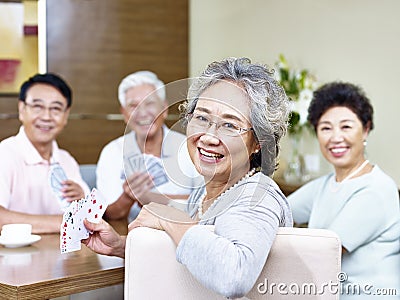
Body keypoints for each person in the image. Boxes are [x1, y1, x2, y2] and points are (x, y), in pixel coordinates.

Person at [83, 57, 293, 298]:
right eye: (202, 118)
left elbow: (233, 275)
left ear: (258, 141)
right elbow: (194, 256)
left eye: (230, 125)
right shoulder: (205, 193)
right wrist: (122, 246)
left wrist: (169, 217)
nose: (208, 137)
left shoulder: (257, 193)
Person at [287, 82, 400, 299]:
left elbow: (324, 251)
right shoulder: (327, 184)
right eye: (326, 128)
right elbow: (281, 208)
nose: (336, 137)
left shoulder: (376, 190)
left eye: (346, 127)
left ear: (365, 130)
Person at [96, 71, 201, 223]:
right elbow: (109, 214)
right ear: (124, 114)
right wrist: (128, 196)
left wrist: (151, 199)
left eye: (150, 103)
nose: (143, 113)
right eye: (133, 106)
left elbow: (203, 204)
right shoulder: (112, 152)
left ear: (164, 108)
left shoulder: (190, 148)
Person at [0, 73, 89, 234]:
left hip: (64, 256)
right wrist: (64, 222)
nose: (46, 117)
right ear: (22, 109)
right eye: (37, 106)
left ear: (66, 115)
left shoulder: (66, 160)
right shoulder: (4, 154)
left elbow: (88, 218)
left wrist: (82, 200)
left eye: (55, 108)